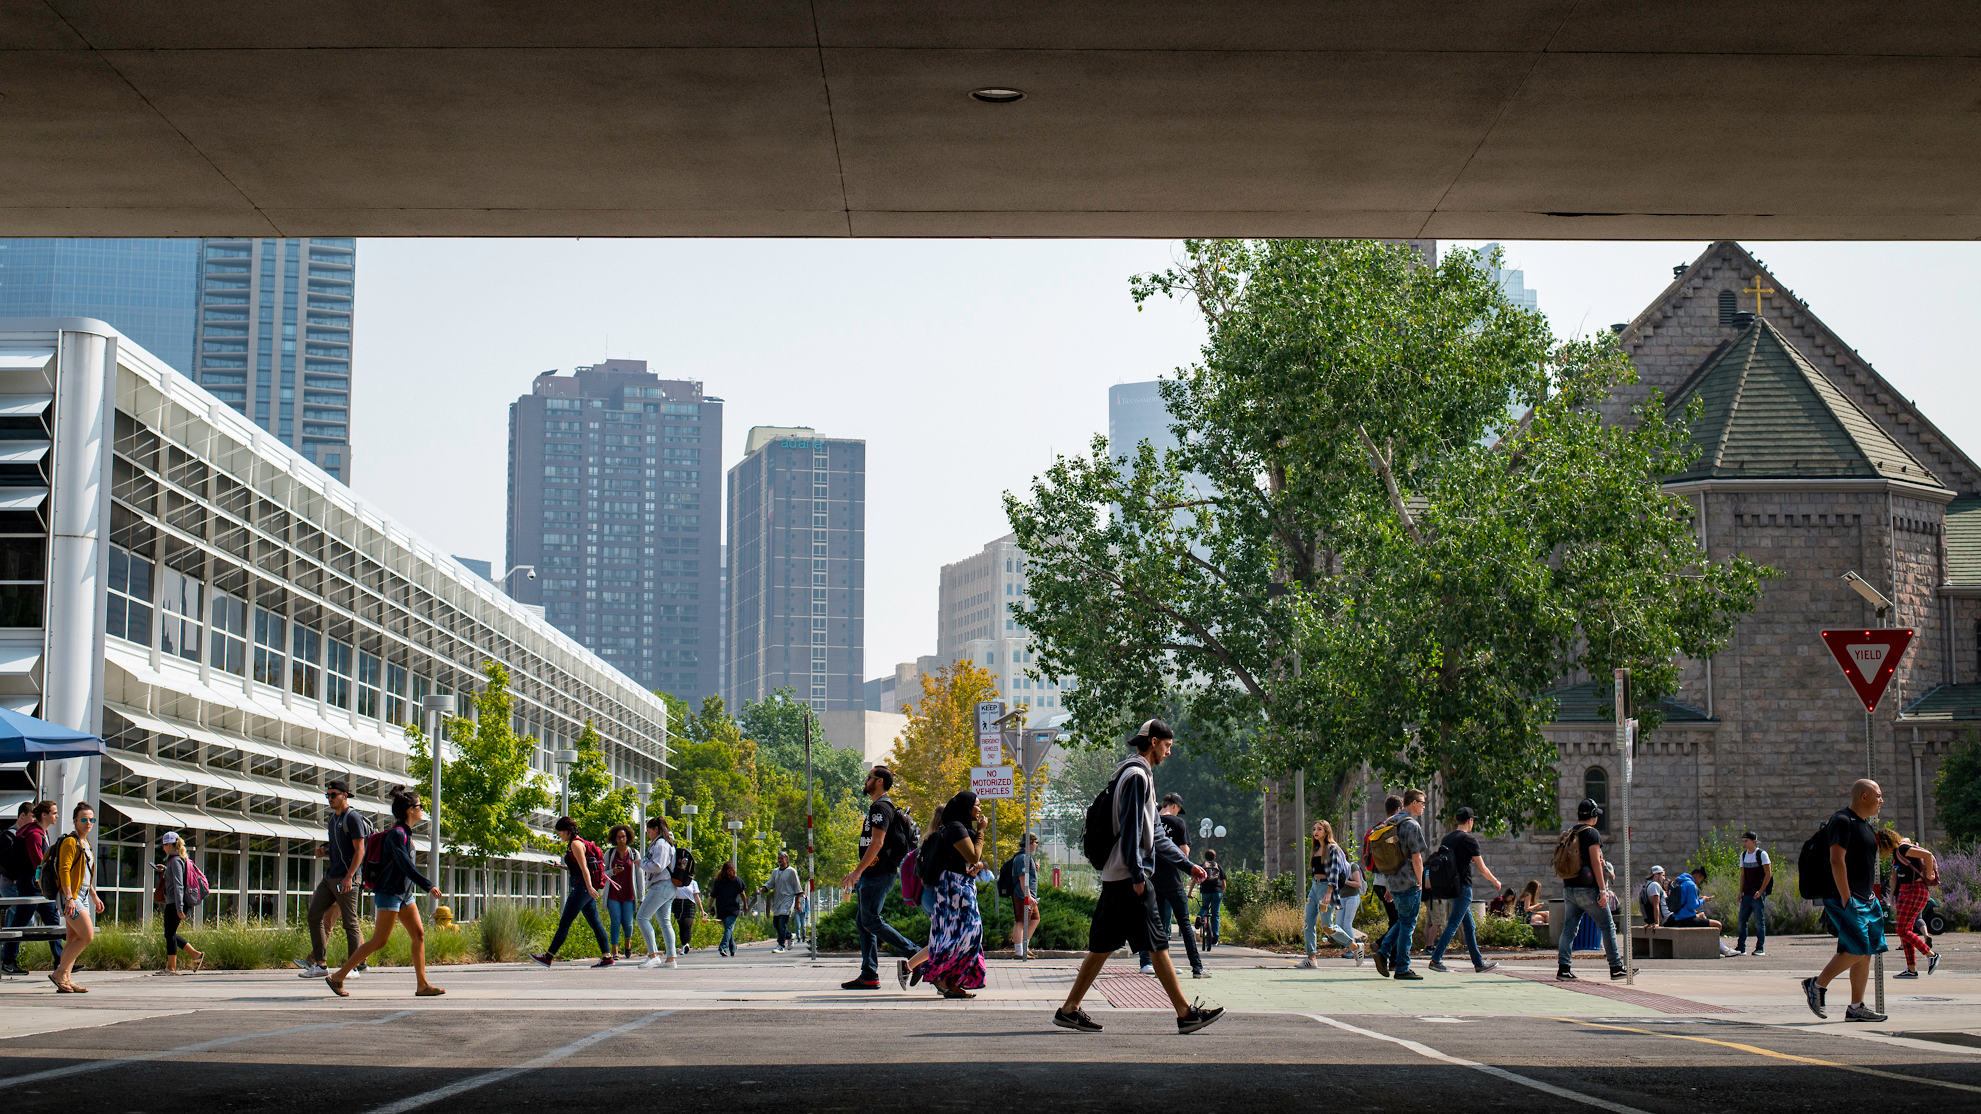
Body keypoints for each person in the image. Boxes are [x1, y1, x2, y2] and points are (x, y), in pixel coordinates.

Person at [1053, 718, 1223, 1035]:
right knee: (1158, 943)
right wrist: (1137, 873)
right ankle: (1185, 1014)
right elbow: (1132, 829)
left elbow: (1155, 834)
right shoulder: (1135, 777)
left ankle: (1069, 1009)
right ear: (1155, 741)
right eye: (1168, 746)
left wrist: (1188, 866)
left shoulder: (1137, 774)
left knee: (1103, 945)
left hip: (1117, 875)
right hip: (1130, 876)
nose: (1169, 752)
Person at [325, 786, 444, 997]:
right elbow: (406, 865)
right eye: (419, 806)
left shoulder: (405, 834)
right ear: (410, 810)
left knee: (418, 935)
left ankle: (422, 985)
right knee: (379, 941)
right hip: (390, 892)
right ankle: (338, 977)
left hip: (404, 894)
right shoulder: (397, 836)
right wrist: (428, 885)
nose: (422, 810)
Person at [1803, 779, 1888, 1022]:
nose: (1881, 800)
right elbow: (1836, 860)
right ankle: (1816, 985)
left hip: (1866, 899)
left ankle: (1856, 1008)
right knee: (1858, 947)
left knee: (1866, 949)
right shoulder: (1841, 821)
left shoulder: (1865, 825)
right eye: (1878, 795)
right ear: (1864, 796)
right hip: (1845, 897)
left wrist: (1872, 897)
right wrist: (1846, 897)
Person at [838, 763, 919, 990]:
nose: (866, 781)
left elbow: (877, 843)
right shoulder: (879, 807)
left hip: (878, 873)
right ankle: (869, 974)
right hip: (874, 873)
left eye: (869, 777)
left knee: (871, 920)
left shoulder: (880, 808)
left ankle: (915, 953)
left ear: (879, 781)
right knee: (864, 923)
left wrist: (857, 872)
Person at [295, 779, 368, 979]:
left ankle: (352, 968)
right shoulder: (333, 819)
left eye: (333, 795)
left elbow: (359, 850)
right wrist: (324, 851)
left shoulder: (352, 817)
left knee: (349, 922)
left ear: (344, 795)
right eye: (327, 795)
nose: (330, 798)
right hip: (331, 877)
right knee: (314, 916)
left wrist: (349, 877)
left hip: (347, 878)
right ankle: (320, 965)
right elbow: (338, 848)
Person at [924, 790, 989, 998]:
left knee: (957, 934)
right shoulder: (955, 828)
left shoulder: (959, 828)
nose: (979, 809)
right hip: (954, 888)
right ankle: (941, 974)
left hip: (959, 885)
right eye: (976, 805)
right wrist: (981, 832)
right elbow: (973, 854)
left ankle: (951, 980)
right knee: (969, 931)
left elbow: (971, 860)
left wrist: (978, 865)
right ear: (966, 807)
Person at [1555, 798, 1625, 982]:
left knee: (1569, 929)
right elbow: (1595, 863)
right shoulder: (1592, 834)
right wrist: (1603, 890)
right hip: (1588, 890)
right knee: (1608, 926)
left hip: (1569, 888)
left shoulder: (1571, 832)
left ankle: (1564, 969)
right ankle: (1616, 967)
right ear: (1593, 815)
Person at [1137, 793, 1205, 979]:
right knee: (1184, 923)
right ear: (1175, 806)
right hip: (1173, 881)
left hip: (1152, 878)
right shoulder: (1178, 824)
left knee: (1154, 923)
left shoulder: (1152, 819)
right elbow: (1184, 853)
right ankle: (1197, 967)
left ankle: (1150, 963)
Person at [531, 816, 613, 968]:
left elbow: (584, 868)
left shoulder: (575, 844)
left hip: (581, 888)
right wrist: (559, 867)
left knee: (565, 923)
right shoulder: (577, 843)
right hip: (583, 888)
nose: (559, 835)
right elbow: (576, 868)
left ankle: (548, 957)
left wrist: (589, 887)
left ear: (568, 831)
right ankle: (607, 957)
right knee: (596, 923)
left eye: (560, 832)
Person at [1428, 806, 1502, 974]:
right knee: (1454, 923)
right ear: (1470, 821)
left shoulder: (1447, 838)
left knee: (1469, 926)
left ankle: (1478, 964)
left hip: (1450, 887)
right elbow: (1482, 869)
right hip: (1463, 887)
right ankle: (1435, 959)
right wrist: (1495, 881)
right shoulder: (1470, 840)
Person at [1372, 790, 1430, 981]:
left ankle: (1384, 950)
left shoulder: (1391, 822)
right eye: (1422, 803)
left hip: (1392, 881)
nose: (1423, 806)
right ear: (1412, 803)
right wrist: (1421, 882)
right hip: (1408, 881)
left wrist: (1388, 885)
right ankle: (1402, 967)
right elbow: (1416, 858)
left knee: (1403, 920)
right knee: (1408, 924)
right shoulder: (1412, 825)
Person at [0, 801, 59, 975]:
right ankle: (8, 961)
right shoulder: (34, 835)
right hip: (33, 887)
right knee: (20, 922)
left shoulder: (42, 832)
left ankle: (61, 961)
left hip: (39, 887)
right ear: (44, 815)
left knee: (53, 922)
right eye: (54, 813)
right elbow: (38, 864)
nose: (56, 816)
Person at [47, 803, 100, 993]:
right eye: (84, 819)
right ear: (75, 821)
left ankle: (66, 980)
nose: (88, 823)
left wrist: (93, 895)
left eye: (91, 819)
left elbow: (85, 873)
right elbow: (64, 870)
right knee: (87, 935)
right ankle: (60, 973)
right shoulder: (71, 841)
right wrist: (69, 898)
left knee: (73, 940)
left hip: (83, 894)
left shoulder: (86, 843)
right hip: (71, 895)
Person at [1878, 828, 1940, 978]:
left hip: (1915, 890)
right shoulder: (1897, 852)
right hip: (1906, 891)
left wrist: (1928, 873)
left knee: (1901, 930)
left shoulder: (1903, 849)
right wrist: (1893, 894)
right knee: (1906, 930)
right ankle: (1911, 969)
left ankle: (1931, 955)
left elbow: (1927, 854)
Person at [1299, 820, 1350, 969]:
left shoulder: (1332, 848)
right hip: (1315, 887)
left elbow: (1334, 872)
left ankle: (1353, 945)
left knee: (1327, 926)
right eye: (1314, 829)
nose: (1316, 832)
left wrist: (1329, 892)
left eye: (1319, 829)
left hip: (1326, 888)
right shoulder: (1316, 849)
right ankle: (1311, 957)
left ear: (1326, 832)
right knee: (1308, 923)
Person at [153, 831, 205, 975]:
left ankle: (172, 968)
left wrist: (179, 907)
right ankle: (195, 955)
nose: (163, 848)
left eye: (164, 845)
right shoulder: (177, 860)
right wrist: (165, 870)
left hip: (175, 902)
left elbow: (178, 884)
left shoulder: (175, 860)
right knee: (170, 933)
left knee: (169, 934)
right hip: (177, 902)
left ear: (170, 845)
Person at [634, 816, 679, 969]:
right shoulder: (667, 843)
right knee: (665, 921)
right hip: (669, 886)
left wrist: (641, 863)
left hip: (661, 885)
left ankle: (653, 955)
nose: (648, 834)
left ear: (656, 830)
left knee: (642, 917)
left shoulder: (660, 844)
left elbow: (658, 866)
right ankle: (671, 958)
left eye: (649, 831)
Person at [603, 824, 639, 959]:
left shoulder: (634, 853)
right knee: (615, 921)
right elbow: (603, 873)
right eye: (618, 837)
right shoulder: (610, 854)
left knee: (628, 922)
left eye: (623, 836)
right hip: (613, 894)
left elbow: (639, 876)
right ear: (615, 839)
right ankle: (615, 951)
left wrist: (641, 897)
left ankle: (628, 945)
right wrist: (613, 871)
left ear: (627, 837)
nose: (621, 839)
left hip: (629, 894)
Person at [1734, 832, 1772, 956]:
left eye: (1746, 841)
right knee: (1742, 920)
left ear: (1753, 841)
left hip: (1757, 894)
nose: (1744, 843)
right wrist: (1740, 892)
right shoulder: (1743, 855)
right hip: (1747, 894)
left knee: (1759, 921)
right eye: (1743, 841)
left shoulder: (1761, 854)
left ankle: (1760, 947)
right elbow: (1743, 875)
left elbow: (1768, 874)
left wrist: (1761, 891)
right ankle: (1741, 947)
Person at [763, 851, 803, 952]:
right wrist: (762, 889)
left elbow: (797, 888)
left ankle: (781, 945)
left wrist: (798, 903)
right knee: (776, 924)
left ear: (786, 859)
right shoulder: (775, 872)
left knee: (782, 923)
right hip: (778, 901)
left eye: (782, 858)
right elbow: (770, 884)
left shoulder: (791, 871)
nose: (780, 860)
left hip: (788, 900)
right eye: (779, 859)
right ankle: (789, 935)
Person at [1010, 833, 1040, 960]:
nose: (1037, 845)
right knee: (1021, 921)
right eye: (1036, 842)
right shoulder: (1023, 858)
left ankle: (1024, 947)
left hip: (1029, 896)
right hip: (1023, 896)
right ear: (1031, 843)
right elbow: (1023, 879)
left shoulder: (1028, 857)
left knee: (1034, 919)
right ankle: (1019, 951)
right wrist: (1028, 896)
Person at [710, 860, 747, 956]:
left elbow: (713, 896)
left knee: (728, 928)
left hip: (721, 908)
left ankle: (733, 948)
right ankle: (723, 947)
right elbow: (742, 894)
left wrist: (710, 906)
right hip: (733, 909)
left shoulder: (718, 881)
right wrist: (745, 905)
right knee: (729, 928)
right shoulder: (737, 880)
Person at [1199, 849, 1226, 949]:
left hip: (1206, 891)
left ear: (1205, 857)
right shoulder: (1218, 867)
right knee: (1216, 914)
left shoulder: (1202, 866)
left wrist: (1189, 892)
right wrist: (1221, 893)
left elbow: (1195, 879)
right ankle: (1215, 937)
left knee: (1204, 906)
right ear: (1215, 857)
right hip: (1217, 891)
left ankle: (1200, 916)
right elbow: (1224, 883)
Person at [674, 875, 700, 954]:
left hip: (689, 903)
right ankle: (683, 945)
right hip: (678, 902)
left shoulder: (693, 883)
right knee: (681, 925)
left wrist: (701, 910)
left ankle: (687, 944)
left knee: (687, 924)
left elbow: (696, 896)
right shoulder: (676, 882)